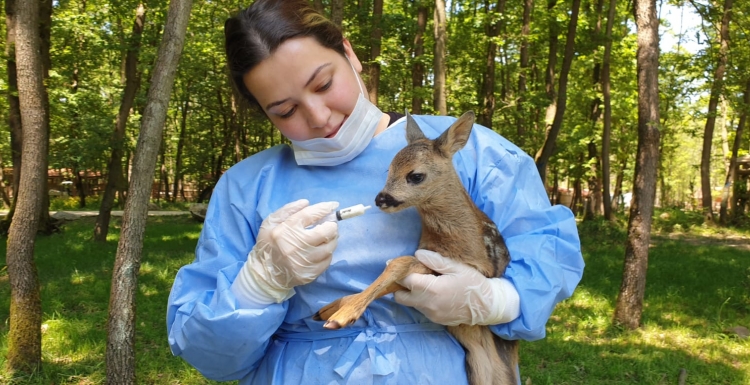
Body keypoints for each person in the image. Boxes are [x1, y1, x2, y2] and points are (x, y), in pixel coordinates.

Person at [166, 1, 584, 384]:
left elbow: (548, 255)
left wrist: (498, 300)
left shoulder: (470, 151)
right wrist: (257, 286)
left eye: (324, 83)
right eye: (286, 111)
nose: (318, 116)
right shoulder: (245, 188)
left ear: (350, 54)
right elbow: (214, 358)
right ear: (264, 113)